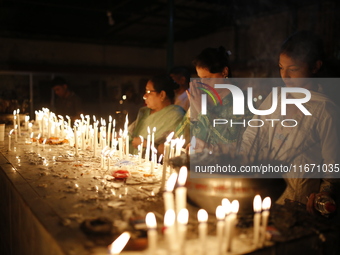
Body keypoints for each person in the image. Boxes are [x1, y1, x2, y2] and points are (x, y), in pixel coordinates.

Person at [241, 31, 340, 214]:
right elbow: (252, 135)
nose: (284, 76)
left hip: (298, 203)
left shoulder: (325, 111)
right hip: (263, 194)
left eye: (293, 69)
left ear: (315, 67)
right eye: (281, 67)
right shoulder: (274, 99)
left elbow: (332, 165)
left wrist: (324, 193)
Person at [175, 46, 252, 152]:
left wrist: (203, 111)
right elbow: (179, 137)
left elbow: (230, 141)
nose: (204, 83)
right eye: (201, 78)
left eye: (208, 78)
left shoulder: (241, 101)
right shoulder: (202, 97)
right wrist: (193, 111)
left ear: (224, 72)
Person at [129, 75, 185, 156]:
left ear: (162, 95)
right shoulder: (144, 112)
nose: (144, 96)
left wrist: (148, 144)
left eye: (148, 92)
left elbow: (177, 149)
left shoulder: (176, 115)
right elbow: (129, 134)